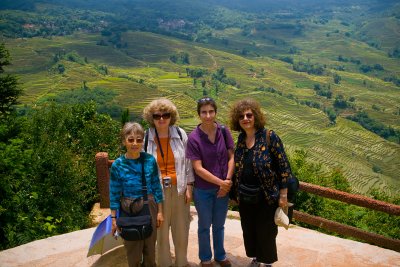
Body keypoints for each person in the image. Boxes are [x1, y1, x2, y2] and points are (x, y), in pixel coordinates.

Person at [229, 98, 292, 267]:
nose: (245, 119)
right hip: (245, 195)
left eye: (249, 115)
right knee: (249, 229)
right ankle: (256, 258)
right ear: (237, 120)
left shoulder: (269, 137)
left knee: (266, 231)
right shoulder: (241, 139)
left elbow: (283, 166)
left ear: (256, 116)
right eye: (241, 116)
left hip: (266, 196)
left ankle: (268, 262)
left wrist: (283, 194)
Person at [143, 98, 194, 267]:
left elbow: (188, 162)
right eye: (157, 116)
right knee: (161, 231)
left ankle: (181, 263)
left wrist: (189, 186)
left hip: (179, 189)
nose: (162, 119)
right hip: (157, 192)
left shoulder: (180, 134)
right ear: (152, 118)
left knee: (181, 230)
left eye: (166, 115)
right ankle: (164, 263)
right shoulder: (146, 137)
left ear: (171, 116)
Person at [186, 97, 235, 267]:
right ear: (198, 114)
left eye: (211, 111)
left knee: (219, 225)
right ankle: (205, 258)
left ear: (215, 112)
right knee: (205, 225)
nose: (208, 116)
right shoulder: (193, 138)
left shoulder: (223, 131)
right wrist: (221, 183)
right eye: (204, 112)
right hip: (203, 190)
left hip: (224, 187)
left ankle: (220, 256)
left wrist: (227, 180)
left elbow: (232, 157)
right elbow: (198, 168)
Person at [110, 122, 164, 267]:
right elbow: (114, 192)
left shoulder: (149, 160)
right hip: (128, 209)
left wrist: (160, 212)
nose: (135, 143)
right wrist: (114, 218)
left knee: (150, 250)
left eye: (139, 140)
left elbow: (156, 186)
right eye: (131, 139)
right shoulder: (118, 165)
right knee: (132, 252)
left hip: (149, 205)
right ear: (124, 141)